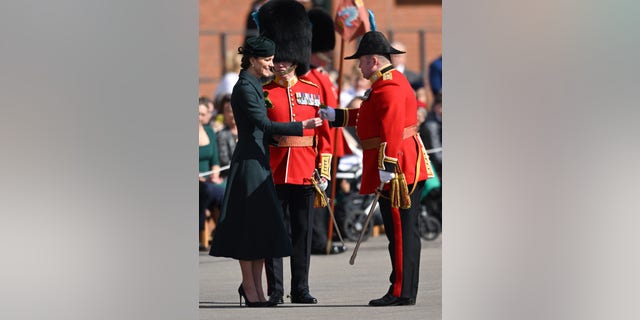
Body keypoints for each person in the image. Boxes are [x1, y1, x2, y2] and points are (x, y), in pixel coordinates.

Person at [319, 30, 435, 307]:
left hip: (398, 166)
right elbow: (371, 115)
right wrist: (338, 116)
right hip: (398, 163)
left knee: (400, 231)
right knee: (400, 231)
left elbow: (392, 129)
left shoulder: (390, 86)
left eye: (361, 60)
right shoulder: (384, 84)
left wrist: (388, 165)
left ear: (373, 60)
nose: (358, 66)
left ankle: (401, 291)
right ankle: (403, 289)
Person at [209, 35, 323, 308]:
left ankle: (257, 290)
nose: (272, 64)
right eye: (268, 60)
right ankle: (250, 288)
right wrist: (300, 125)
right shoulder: (246, 87)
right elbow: (262, 123)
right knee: (250, 227)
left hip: (258, 158)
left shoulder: (253, 84)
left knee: (259, 228)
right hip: (249, 162)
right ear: (252, 59)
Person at [258, 0, 329, 305]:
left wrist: (323, 169)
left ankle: (300, 287)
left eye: (286, 57)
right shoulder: (264, 91)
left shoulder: (313, 90)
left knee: (302, 234)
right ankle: (275, 289)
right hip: (272, 171)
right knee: (274, 233)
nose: (280, 62)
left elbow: (324, 136)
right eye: (278, 57)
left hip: (304, 171)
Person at [305, 7, 348, 256]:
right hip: (322, 144)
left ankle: (325, 237)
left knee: (327, 194)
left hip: (332, 142)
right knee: (319, 194)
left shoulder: (322, 75)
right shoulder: (312, 76)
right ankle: (320, 240)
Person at [199, 101, 224, 251]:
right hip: (198, 181)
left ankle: (222, 232)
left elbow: (215, 160)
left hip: (209, 180)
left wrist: (215, 172)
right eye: (197, 114)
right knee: (207, 191)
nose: (199, 117)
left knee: (224, 190)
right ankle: (200, 230)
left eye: (202, 114)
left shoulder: (209, 131)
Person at [391, 41, 428, 107]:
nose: (395, 58)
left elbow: (421, 97)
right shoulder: (382, 76)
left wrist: (420, 111)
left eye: (398, 56)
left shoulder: (415, 78)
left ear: (404, 57)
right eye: (392, 55)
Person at [420, 92, 442, 180]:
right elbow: (437, 155)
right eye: (441, 106)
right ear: (435, 106)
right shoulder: (431, 125)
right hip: (434, 168)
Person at [215, 94, 237, 180]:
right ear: (223, 114)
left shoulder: (248, 131)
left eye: (234, 110)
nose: (232, 114)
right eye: (228, 111)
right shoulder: (222, 135)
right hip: (229, 176)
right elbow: (224, 161)